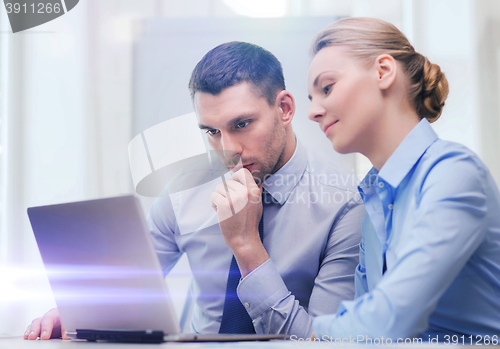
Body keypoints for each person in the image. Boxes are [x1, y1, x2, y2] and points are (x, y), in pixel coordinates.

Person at [24, 41, 364, 340]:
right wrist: (76, 312)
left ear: (285, 109)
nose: (227, 148)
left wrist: (247, 248)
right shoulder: (183, 191)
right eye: (211, 132)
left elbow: (324, 343)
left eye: (241, 124)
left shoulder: (344, 205)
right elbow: (126, 286)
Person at [307, 17, 500, 341]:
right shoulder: (373, 203)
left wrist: (319, 331)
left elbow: (383, 322)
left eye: (326, 88)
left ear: (383, 72)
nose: (313, 111)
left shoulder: (453, 173)